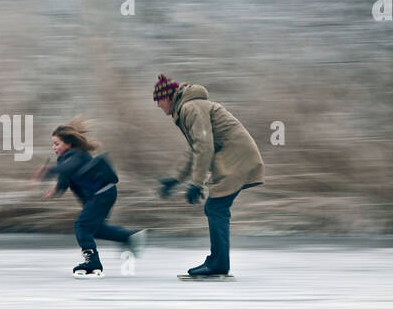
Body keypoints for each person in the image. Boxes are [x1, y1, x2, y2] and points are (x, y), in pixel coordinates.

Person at [152, 74, 264, 277]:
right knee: (216, 208)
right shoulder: (188, 107)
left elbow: (204, 146)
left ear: (167, 97)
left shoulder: (190, 108)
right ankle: (217, 260)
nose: (158, 106)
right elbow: (195, 147)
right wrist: (176, 178)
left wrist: (196, 183)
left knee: (216, 208)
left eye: (158, 100)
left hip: (236, 158)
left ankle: (219, 264)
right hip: (235, 157)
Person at [32, 118, 147, 278]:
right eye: (53, 144)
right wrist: (56, 189)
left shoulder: (77, 155)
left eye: (56, 144)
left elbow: (68, 167)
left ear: (68, 144)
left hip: (101, 194)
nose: (54, 147)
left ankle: (92, 262)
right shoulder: (65, 159)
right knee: (95, 229)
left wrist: (49, 170)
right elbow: (65, 179)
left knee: (82, 226)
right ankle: (128, 236)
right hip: (102, 194)